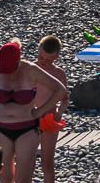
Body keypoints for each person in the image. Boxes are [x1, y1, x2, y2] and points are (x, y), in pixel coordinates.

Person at [0, 39, 68, 183]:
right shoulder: (0, 68)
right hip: (1, 127)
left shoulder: (30, 69)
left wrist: (40, 111)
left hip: (27, 128)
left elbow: (60, 91)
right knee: (5, 177)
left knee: (23, 179)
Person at [34, 36, 69, 183]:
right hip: (29, 117)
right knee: (23, 158)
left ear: (56, 57)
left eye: (49, 60)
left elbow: (65, 98)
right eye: (41, 57)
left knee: (47, 163)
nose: (43, 62)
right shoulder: (30, 68)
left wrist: (59, 113)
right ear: (38, 50)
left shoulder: (58, 73)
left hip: (49, 119)